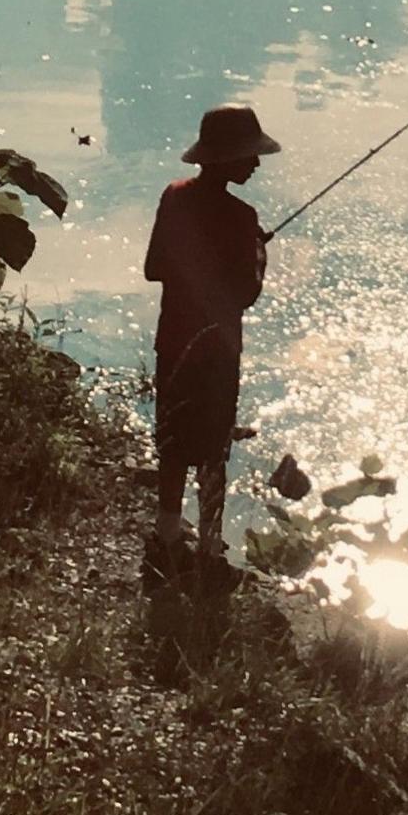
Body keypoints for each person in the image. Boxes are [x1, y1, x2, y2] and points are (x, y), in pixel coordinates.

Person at [143, 104, 278, 562]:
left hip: (174, 340)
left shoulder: (174, 196)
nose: (257, 164)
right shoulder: (242, 218)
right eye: (250, 155)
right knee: (214, 443)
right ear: (228, 159)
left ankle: (165, 529)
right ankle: (208, 543)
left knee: (173, 436)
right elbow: (245, 293)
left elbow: (153, 268)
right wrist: (257, 251)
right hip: (219, 349)